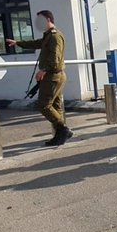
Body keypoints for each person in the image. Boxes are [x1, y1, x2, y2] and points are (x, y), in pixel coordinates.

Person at [7, 10, 72, 146]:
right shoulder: (48, 36)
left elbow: (55, 57)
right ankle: (60, 134)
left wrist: (44, 70)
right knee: (55, 106)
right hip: (54, 75)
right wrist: (18, 43)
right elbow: (36, 43)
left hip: (53, 75)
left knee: (43, 105)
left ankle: (63, 129)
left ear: (48, 19)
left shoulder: (55, 36)